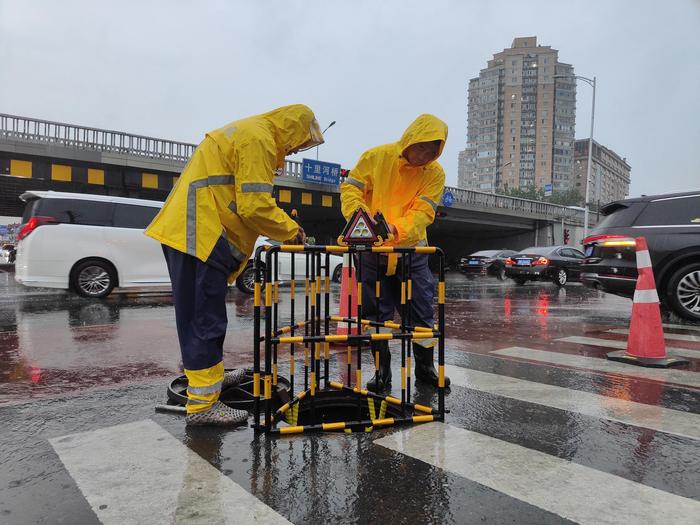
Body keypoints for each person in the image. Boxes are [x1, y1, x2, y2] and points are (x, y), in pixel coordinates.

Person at [146, 104, 324, 426]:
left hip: (195, 231)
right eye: (299, 142)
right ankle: (202, 407)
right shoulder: (260, 139)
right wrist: (291, 231)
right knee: (205, 319)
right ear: (292, 129)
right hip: (200, 233)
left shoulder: (250, 133)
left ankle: (209, 380)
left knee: (202, 315)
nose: (297, 148)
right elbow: (254, 205)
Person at [340, 114, 451, 392]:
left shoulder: (434, 173)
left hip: (410, 251)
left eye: (433, 150)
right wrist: (360, 220)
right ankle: (382, 371)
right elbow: (351, 190)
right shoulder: (376, 157)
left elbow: (423, 213)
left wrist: (393, 229)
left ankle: (425, 368)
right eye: (422, 147)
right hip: (372, 251)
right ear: (410, 139)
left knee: (422, 311)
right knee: (376, 314)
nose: (425, 155)